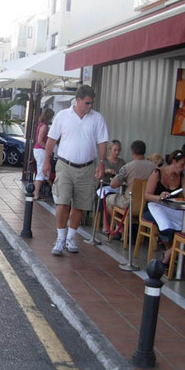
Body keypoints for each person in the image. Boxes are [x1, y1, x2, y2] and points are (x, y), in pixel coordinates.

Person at [43, 85, 109, 256]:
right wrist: (46, 161)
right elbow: (51, 139)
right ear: (78, 100)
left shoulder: (97, 118)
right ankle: (60, 238)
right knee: (63, 202)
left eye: (91, 103)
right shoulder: (63, 116)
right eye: (87, 103)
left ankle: (71, 237)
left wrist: (101, 163)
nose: (90, 106)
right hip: (65, 165)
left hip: (87, 167)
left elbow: (102, 142)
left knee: (80, 204)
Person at [144, 150, 185, 269]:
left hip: (173, 209)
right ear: (173, 162)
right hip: (154, 208)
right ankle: (172, 252)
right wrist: (159, 197)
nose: (184, 167)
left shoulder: (182, 177)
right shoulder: (157, 173)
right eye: (182, 164)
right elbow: (147, 195)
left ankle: (169, 253)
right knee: (168, 227)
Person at [33, 108, 54, 201]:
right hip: (41, 150)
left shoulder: (41, 125)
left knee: (42, 172)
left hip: (39, 150)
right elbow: (40, 141)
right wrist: (48, 149)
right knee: (41, 172)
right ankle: (36, 193)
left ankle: (36, 191)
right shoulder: (44, 127)